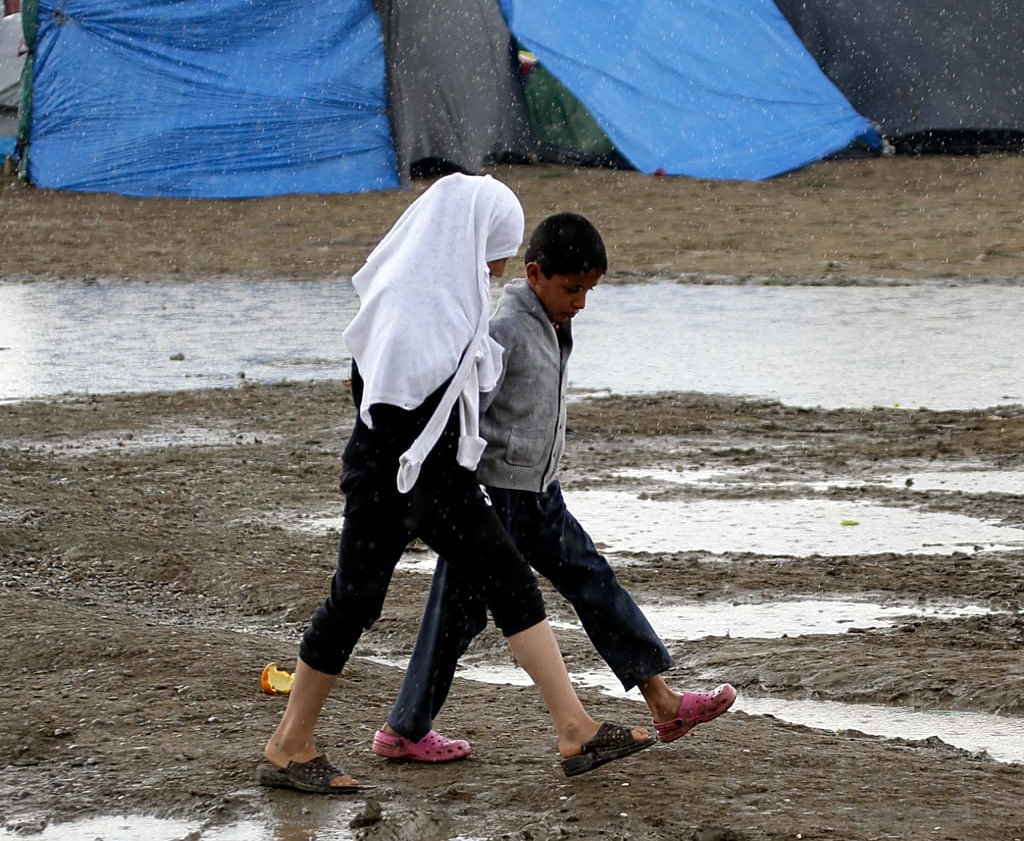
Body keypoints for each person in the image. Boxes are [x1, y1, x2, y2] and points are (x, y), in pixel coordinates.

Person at [260, 176, 654, 795]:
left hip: (437, 476)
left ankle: (574, 728)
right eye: (497, 252)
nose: (499, 266)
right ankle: (289, 745)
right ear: (469, 238)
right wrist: (428, 465)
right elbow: (387, 401)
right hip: (393, 477)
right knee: (353, 604)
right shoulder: (418, 302)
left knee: (513, 587)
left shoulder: (452, 296)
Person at [370, 212, 736, 765]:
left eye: (589, 290)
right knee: (457, 613)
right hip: (494, 499)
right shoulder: (505, 330)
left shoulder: (556, 322)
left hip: (540, 493)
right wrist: (459, 491)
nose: (581, 302)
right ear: (535, 273)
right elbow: (470, 412)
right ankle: (404, 729)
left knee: (592, 578)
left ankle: (663, 702)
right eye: (572, 289)